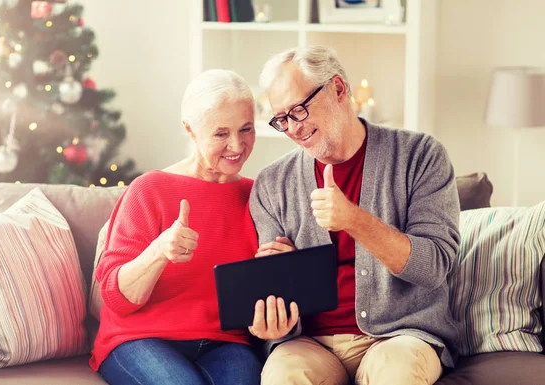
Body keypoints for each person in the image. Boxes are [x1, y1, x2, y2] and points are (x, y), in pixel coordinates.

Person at [247, 45, 461, 385]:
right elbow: (274, 296)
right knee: (282, 377)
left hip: (399, 336)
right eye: (281, 119)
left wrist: (354, 220)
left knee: (398, 374)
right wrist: (274, 318)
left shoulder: (420, 155)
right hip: (308, 343)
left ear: (338, 89)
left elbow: (434, 267)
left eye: (299, 110)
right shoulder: (272, 185)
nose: (293, 129)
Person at [89, 69, 262, 385]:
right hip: (139, 338)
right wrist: (158, 252)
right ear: (190, 130)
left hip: (226, 342)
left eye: (246, 129)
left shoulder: (258, 195)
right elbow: (116, 297)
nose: (237, 145)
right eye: (221, 134)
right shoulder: (149, 189)